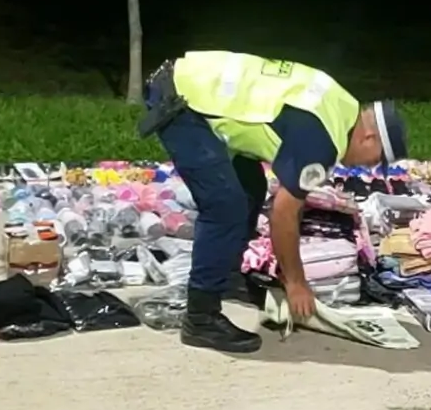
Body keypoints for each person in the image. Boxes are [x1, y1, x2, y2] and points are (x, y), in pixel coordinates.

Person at [138, 51, 408, 352]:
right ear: (369, 138)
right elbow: (284, 213)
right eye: (376, 160)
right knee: (225, 206)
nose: (369, 168)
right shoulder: (323, 141)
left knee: (250, 186)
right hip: (183, 102)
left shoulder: (342, 104)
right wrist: (296, 282)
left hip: (191, 81)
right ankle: (201, 318)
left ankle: (226, 276)